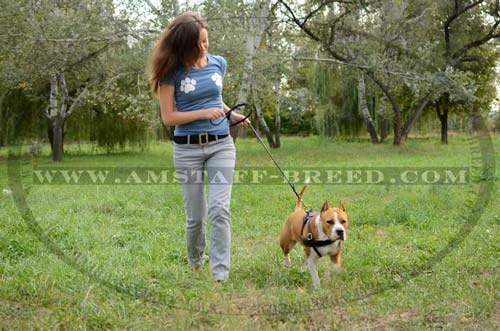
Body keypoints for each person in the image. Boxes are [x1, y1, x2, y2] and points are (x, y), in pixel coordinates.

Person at [148, 12, 249, 282]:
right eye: (198, 44)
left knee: (219, 209)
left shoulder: (218, 63)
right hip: (187, 149)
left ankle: (220, 274)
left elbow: (217, 100)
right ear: (184, 45)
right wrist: (204, 113)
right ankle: (196, 262)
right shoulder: (171, 72)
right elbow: (169, 117)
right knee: (196, 217)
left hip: (221, 146)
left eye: (206, 41)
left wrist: (232, 116)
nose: (204, 48)